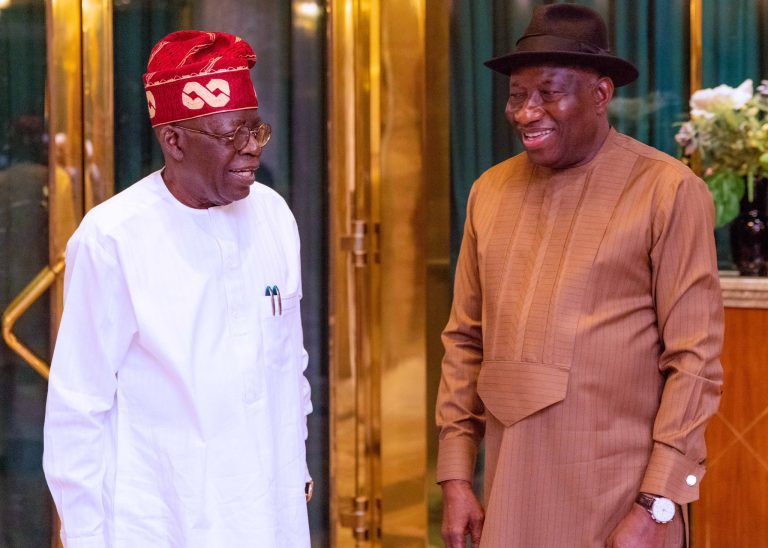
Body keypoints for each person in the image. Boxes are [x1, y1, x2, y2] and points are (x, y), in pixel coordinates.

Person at [435, 5, 723, 548]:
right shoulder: (488, 192)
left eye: (548, 93)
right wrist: (455, 476)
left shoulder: (666, 190)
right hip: (507, 495)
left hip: (620, 505)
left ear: (600, 93)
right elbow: (465, 341)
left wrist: (656, 506)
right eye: (517, 95)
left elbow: (695, 361)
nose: (527, 112)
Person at [43, 30, 313, 547]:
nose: (252, 148)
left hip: (272, 513)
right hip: (165, 520)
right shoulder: (113, 237)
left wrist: (295, 472)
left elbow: (289, 365)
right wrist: (85, 537)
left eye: (255, 129)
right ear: (175, 140)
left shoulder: (274, 215)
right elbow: (78, 409)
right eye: (232, 135)